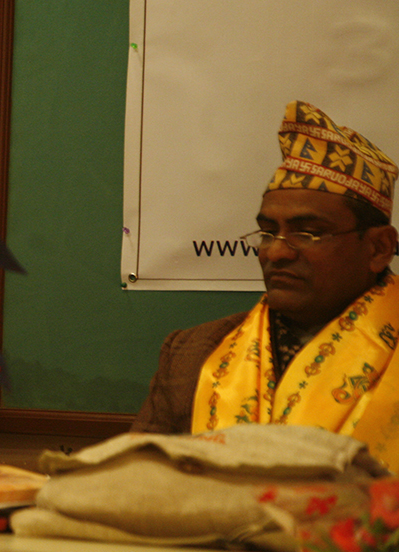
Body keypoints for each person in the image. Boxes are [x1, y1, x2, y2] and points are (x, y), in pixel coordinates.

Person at [132, 100, 399, 470]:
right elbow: (133, 483)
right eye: (268, 232)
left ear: (379, 248)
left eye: (308, 233)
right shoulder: (193, 353)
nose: (275, 252)